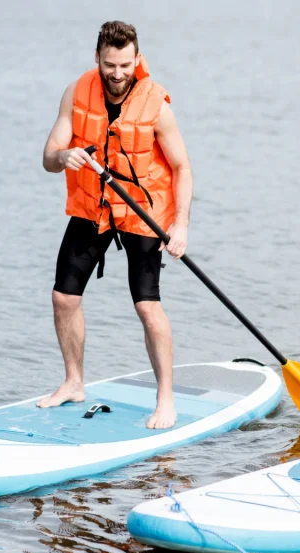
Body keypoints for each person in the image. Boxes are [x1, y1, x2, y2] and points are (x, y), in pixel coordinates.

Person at [36, 21, 193, 430]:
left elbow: (182, 168)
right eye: (110, 65)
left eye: (125, 64)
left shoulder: (157, 104)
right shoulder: (76, 92)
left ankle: (166, 400)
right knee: (63, 298)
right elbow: (48, 157)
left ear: (136, 60)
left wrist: (180, 227)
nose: (117, 73)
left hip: (143, 210)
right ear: (97, 59)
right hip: (93, 207)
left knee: (147, 305)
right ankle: (73, 382)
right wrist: (63, 157)